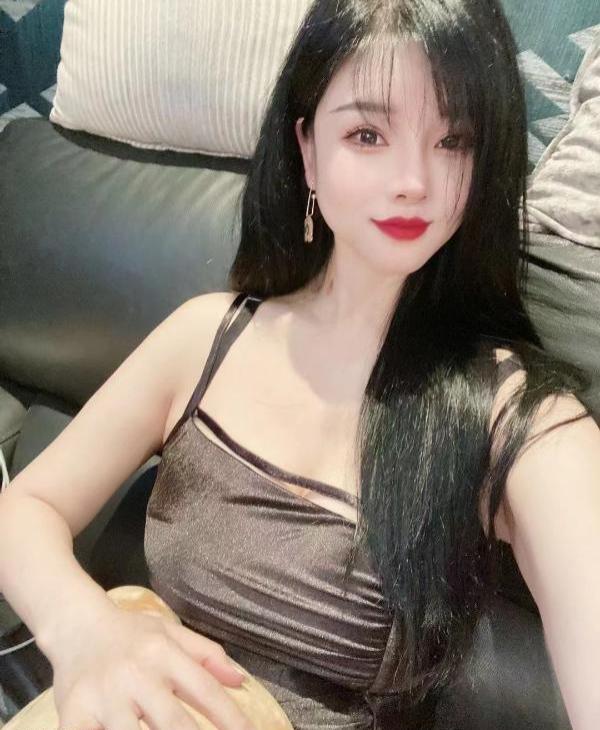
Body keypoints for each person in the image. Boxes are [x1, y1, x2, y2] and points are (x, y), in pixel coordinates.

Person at [1, 0, 599, 729]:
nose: (413, 179)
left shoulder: (521, 422)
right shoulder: (207, 336)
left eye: (454, 140)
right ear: (308, 150)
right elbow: (25, 507)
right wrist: (85, 630)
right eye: (368, 134)